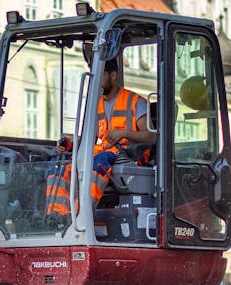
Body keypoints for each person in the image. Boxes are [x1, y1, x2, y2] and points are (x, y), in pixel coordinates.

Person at [45, 57, 155, 217]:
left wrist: (124, 133)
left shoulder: (134, 101)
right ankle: (56, 215)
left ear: (113, 75)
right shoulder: (97, 104)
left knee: (97, 163)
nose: (98, 81)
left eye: (101, 75)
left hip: (128, 156)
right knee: (59, 163)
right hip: (103, 153)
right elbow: (89, 139)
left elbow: (151, 137)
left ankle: (80, 216)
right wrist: (69, 146)